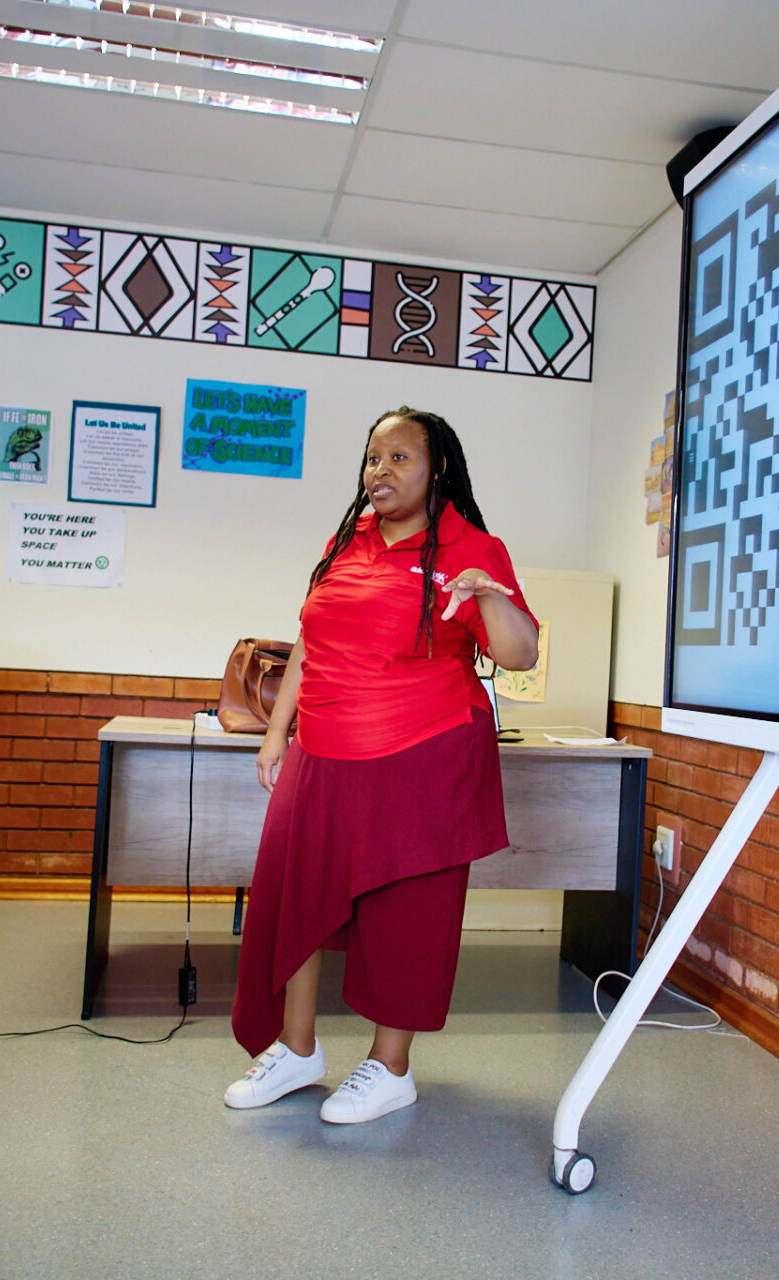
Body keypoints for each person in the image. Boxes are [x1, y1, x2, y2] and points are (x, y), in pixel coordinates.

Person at [226, 406, 539, 1124]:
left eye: (400, 458)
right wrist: (278, 733)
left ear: (438, 471)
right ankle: (296, 1050)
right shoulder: (349, 542)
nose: (381, 472)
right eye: (373, 458)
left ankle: (390, 1067)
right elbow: (310, 640)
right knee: (292, 896)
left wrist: (489, 593)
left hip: (422, 752)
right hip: (324, 749)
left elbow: (519, 653)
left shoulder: (469, 547)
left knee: (407, 914)